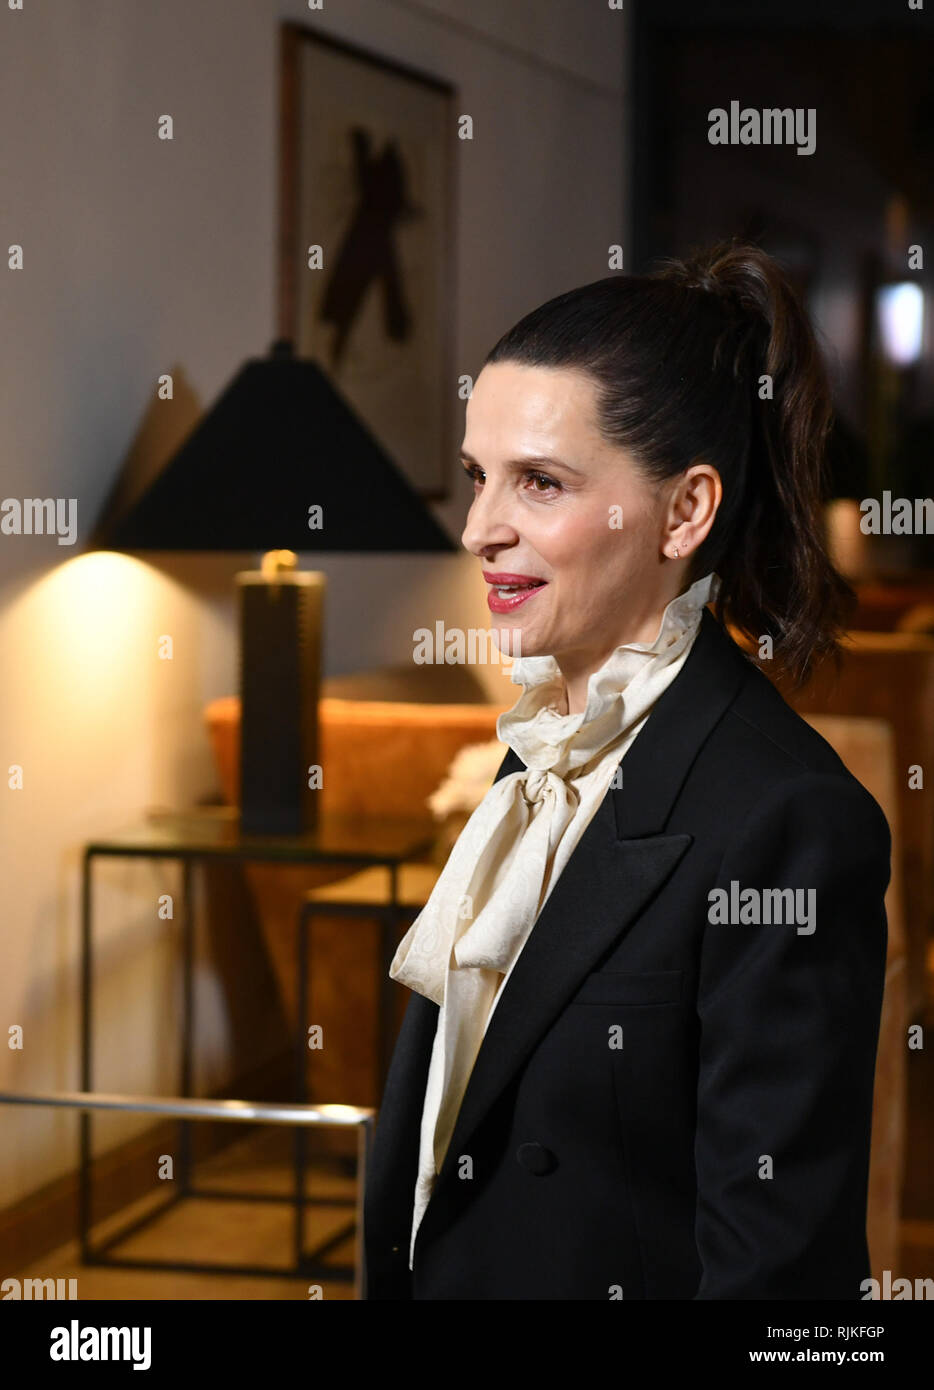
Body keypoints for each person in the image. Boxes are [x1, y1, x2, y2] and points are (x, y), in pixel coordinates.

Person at [362, 239, 891, 1300]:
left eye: (539, 483)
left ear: (685, 510)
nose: (479, 529)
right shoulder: (536, 747)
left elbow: (779, 1273)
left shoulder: (786, 818)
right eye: (479, 478)